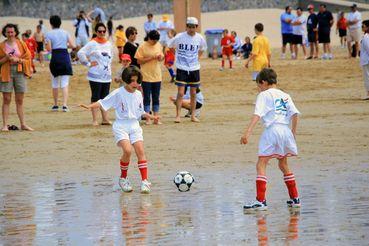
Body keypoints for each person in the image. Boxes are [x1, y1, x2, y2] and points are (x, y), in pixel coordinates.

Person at [80, 66, 157, 193]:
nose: (135, 84)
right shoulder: (118, 93)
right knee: (127, 151)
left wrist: (152, 116)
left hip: (134, 125)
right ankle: (123, 178)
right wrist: (89, 106)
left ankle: (144, 181)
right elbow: (102, 102)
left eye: (138, 81)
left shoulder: (138, 94)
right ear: (126, 80)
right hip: (121, 126)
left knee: (140, 151)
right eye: (132, 80)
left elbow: (140, 112)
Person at [241, 68, 301, 211]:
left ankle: (260, 201)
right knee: (283, 164)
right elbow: (295, 114)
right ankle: (295, 199)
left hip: (272, 130)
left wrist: (247, 132)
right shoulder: (286, 95)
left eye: (258, 85)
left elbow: (257, 115)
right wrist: (292, 133)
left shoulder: (264, 95)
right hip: (285, 130)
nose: (258, 88)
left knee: (261, 163)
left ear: (263, 82)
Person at [167, 17, 207, 123]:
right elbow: (170, 46)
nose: (191, 29)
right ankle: (178, 116)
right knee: (180, 93)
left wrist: (197, 58)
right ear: (186, 26)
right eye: (189, 27)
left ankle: (193, 115)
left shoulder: (200, 38)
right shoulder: (180, 36)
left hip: (194, 68)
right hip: (182, 67)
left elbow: (202, 49)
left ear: (196, 27)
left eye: (193, 27)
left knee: (193, 93)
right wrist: (176, 54)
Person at [78, 22, 113, 126]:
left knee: (105, 98)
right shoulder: (92, 43)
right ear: (96, 32)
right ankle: (94, 120)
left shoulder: (109, 43)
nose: (102, 33)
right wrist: (88, 63)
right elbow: (80, 53)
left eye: (103, 31)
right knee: (95, 97)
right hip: (95, 76)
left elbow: (111, 57)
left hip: (107, 76)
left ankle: (105, 119)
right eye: (99, 31)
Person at [0, 23, 33, 131]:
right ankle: (5, 125)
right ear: (4, 33)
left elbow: (28, 58)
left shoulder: (21, 44)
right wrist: (6, 58)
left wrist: (18, 60)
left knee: (19, 100)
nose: (10, 34)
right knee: (6, 99)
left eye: (12, 32)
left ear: (15, 32)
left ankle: (23, 124)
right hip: (6, 72)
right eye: (8, 32)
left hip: (20, 71)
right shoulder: (1, 45)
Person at [45, 15, 75, 112]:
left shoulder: (48, 34)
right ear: (60, 23)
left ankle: (55, 105)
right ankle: (65, 105)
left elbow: (49, 49)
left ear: (51, 23)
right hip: (65, 57)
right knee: (65, 83)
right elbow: (72, 45)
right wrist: (64, 44)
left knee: (55, 83)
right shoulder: (65, 32)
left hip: (55, 57)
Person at [135, 30, 164, 125]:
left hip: (157, 75)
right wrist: (151, 58)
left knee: (156, 98)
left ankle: (156, 118)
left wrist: (160, 57)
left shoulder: (159, 45)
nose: (155, 42)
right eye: (154, 40)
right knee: (146, 98)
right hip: (146, 76)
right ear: (149, 38)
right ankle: (148, 118)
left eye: (156, 40)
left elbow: (162, 57)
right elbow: (138, 61)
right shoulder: (142, 46)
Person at [360, 19, 369, 100]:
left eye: (363, 26)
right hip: (366, 59)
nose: (361, 27)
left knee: (367, 77)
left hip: (366, 60)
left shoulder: (366, 37)